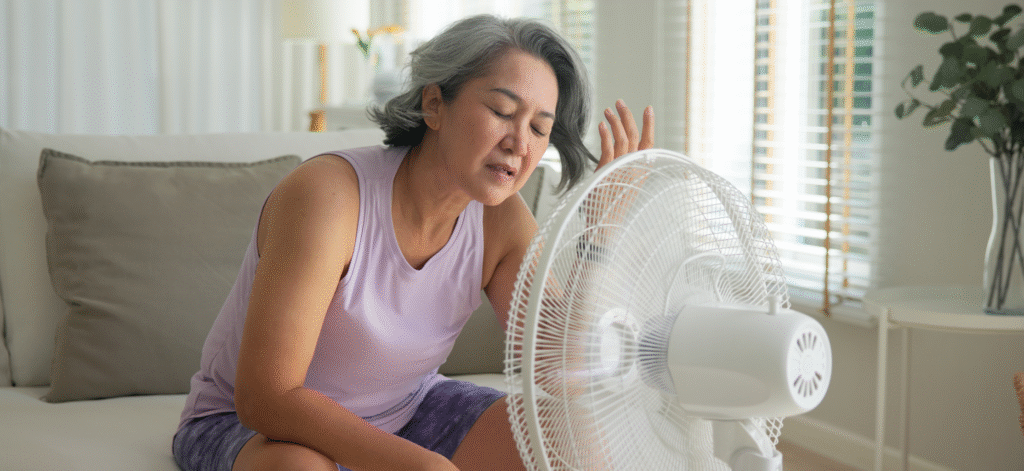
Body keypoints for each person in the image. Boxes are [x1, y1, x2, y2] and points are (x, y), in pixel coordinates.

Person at [173, 14, 653, 471]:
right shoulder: (329, 196)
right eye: (503, 111)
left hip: (407, 409)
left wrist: (600, 236)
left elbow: (560, 371)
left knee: (570, 436)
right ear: (434, 104)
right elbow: (266, 398)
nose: (519, 142)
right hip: (255, 425)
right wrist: (415, 462)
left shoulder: (501, 222)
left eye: (538, 128)